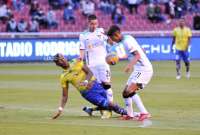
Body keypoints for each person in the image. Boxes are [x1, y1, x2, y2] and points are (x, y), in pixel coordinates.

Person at [51, 53, 127, 119]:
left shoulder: (76, 62)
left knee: (108, 105)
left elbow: (90, 72)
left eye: (63, 58)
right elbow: (64, 96)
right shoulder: (63, 76)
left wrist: (86, 81)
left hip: (96, 85)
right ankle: (128, 114)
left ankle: (90, 109)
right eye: (59, 61)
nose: (62, 61)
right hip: (88, 93)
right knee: (110, 104)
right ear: (57, 64)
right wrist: (60, 109)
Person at [107, 25, 153, 121]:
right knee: (125, 93)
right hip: (138, 69)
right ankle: (130, 115)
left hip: (144, 69)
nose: (114, 41)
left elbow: (137, 55)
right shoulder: (128, 38)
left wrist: (129, 66)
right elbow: (139, 50)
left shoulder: (127, 41)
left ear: (116, 35)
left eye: (113, 38)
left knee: (129, 91)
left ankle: (145, 113)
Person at [79, 14, 113, 118]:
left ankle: (109, 110)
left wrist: (112, 51)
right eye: (92, 24)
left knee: (107, 85)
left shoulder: (102, 31)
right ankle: (105, 109)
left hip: (103, 63)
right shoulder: (83, 35)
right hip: (91, 66)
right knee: (97, 88)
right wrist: (80, 58)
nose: (94, 26)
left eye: (96, 24)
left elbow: (110, 41)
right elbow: (82, 49)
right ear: (88, 23)